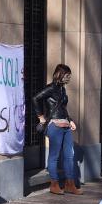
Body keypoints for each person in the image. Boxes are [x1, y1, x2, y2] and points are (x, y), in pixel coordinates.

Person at [33, 63, 80, 194]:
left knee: (69, 155)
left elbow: (62, 108)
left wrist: (70, 121)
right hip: (54, 125)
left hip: (65, 125)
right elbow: (35, 98)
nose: (68, 78)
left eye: (69, 76)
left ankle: (70, 184)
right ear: (60, 74)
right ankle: (54, 184)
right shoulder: (51, 88)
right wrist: (41, 117)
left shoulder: (62, 90)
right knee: (54, 156)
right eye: (67, 75)